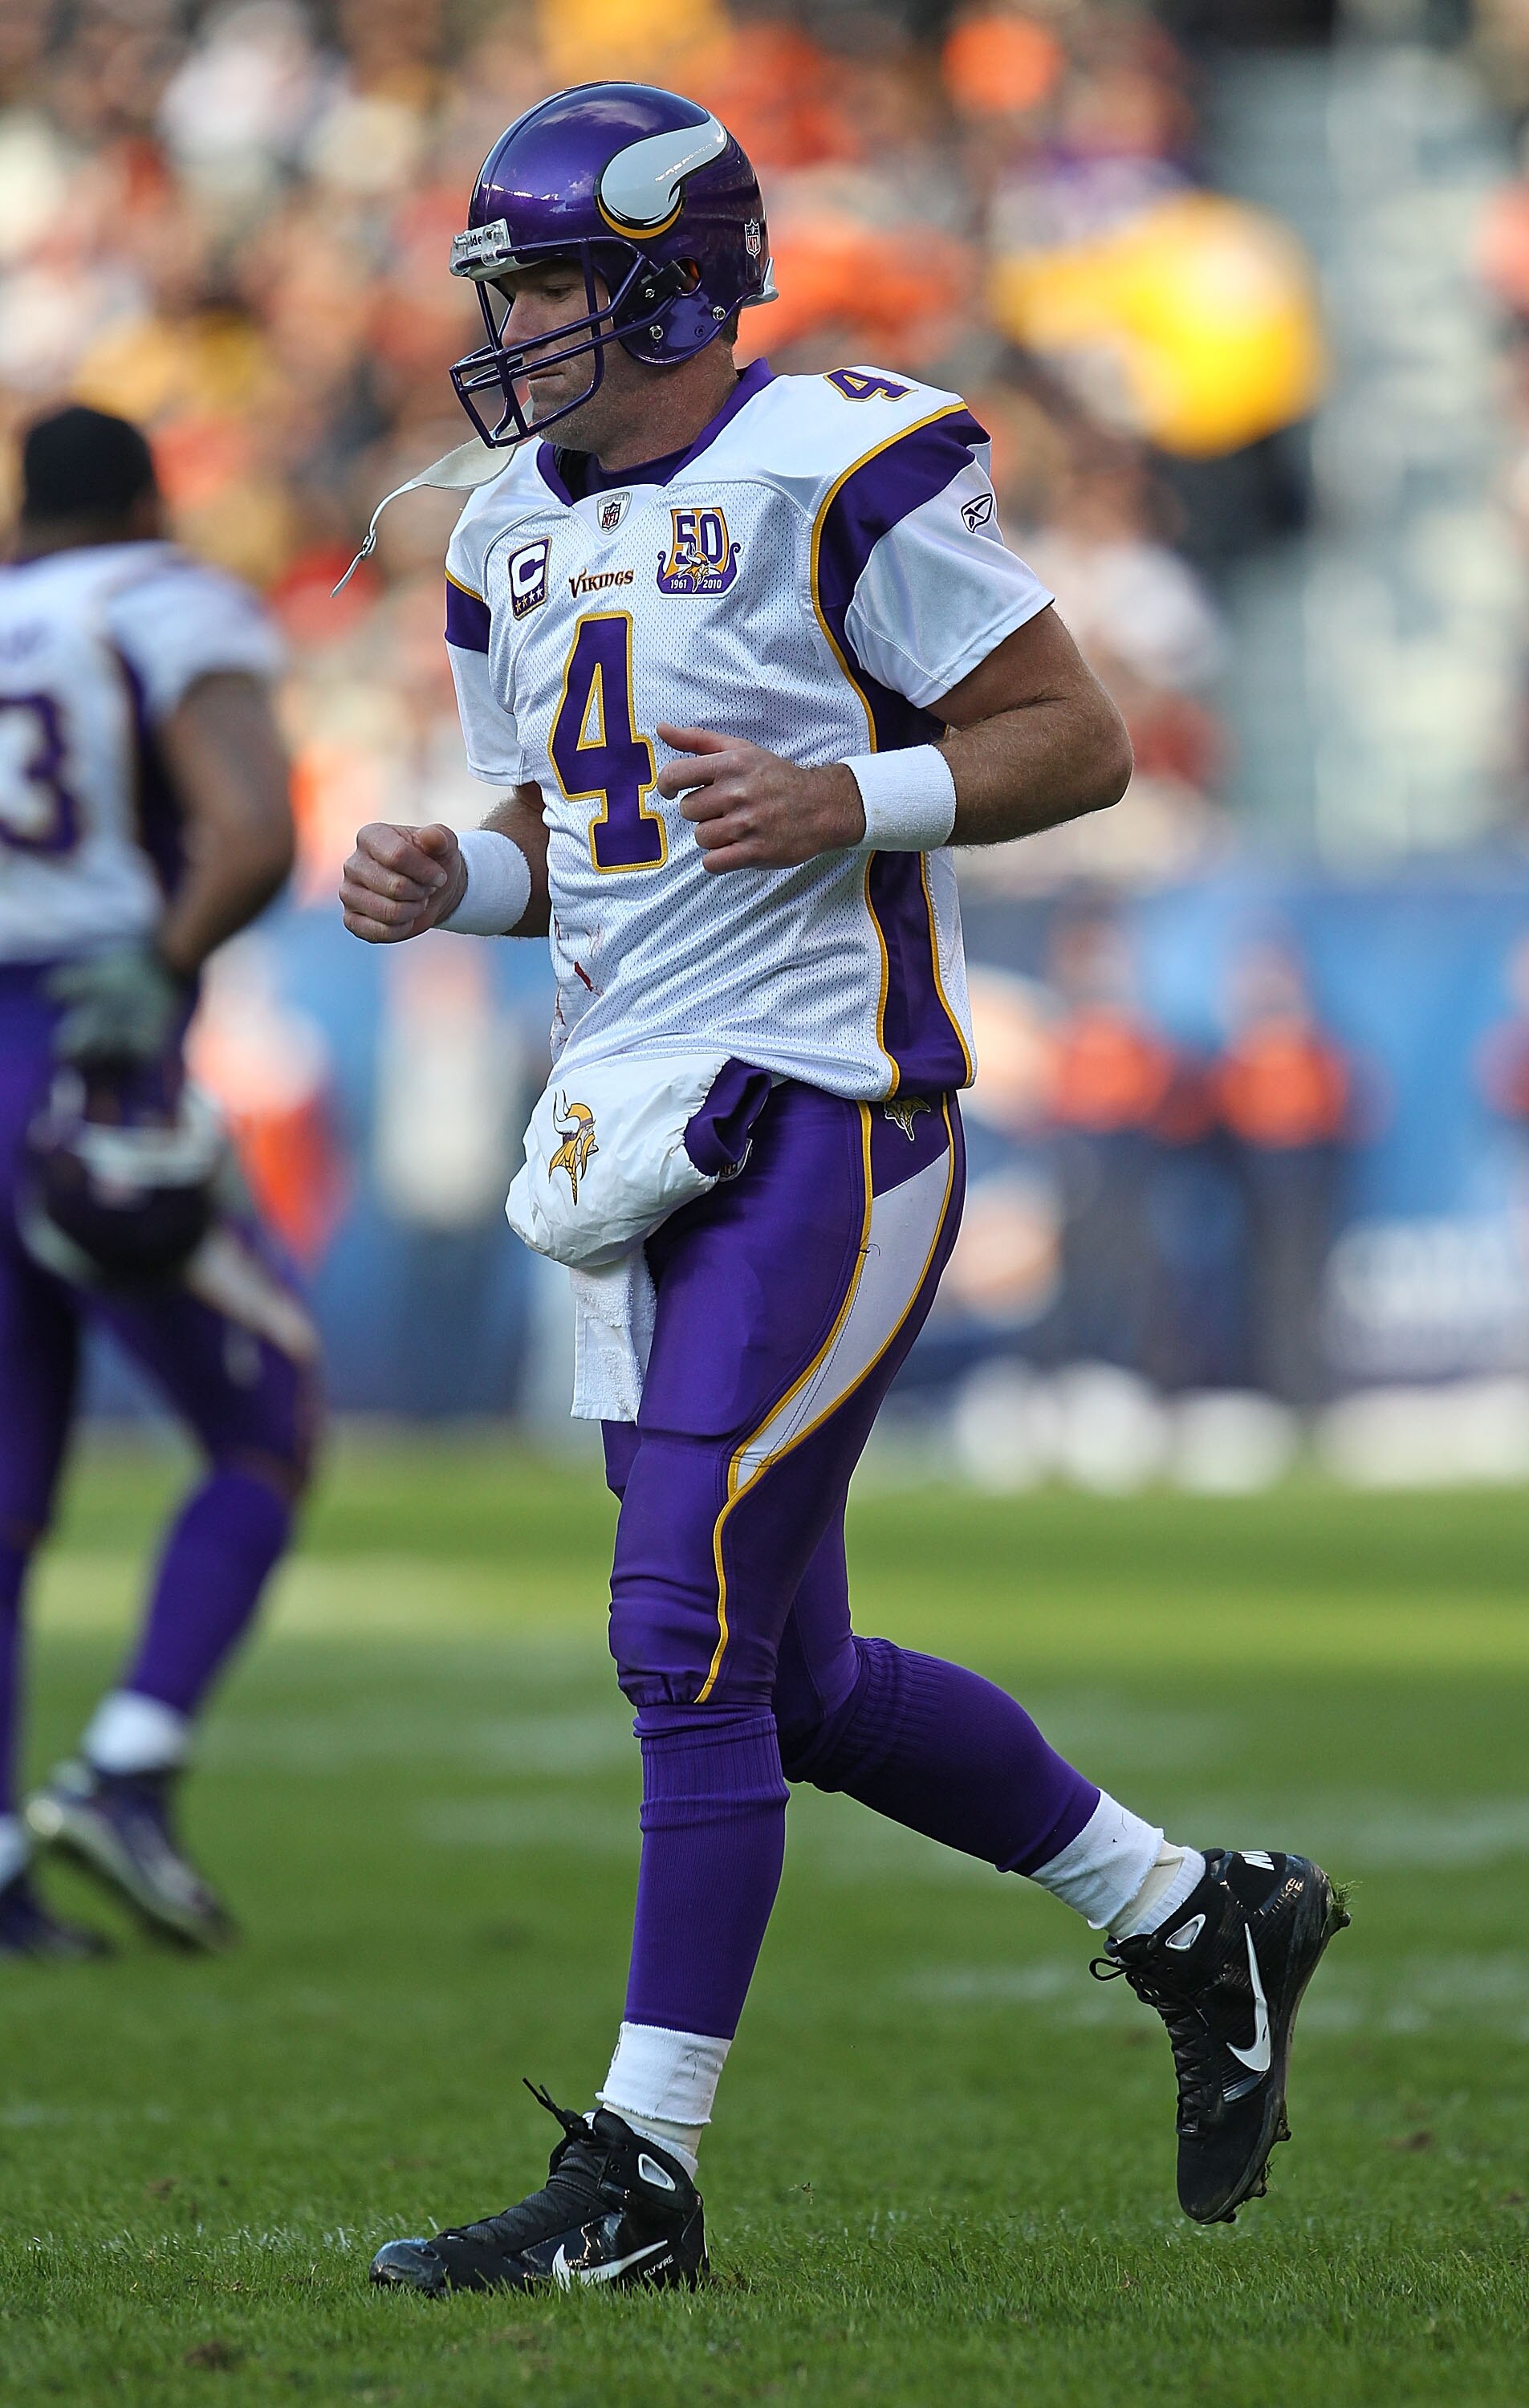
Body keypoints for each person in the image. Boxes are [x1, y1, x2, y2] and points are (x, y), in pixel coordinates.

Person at [340, 83, 1346, 2293]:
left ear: (674, 279)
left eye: (545, 283)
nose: (508, 327)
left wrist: (858, 792)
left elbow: (1071, 732)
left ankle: (641, 2175)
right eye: (500, 288)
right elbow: (566, 851)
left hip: (829, 1103)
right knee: (779, 1681)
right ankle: (1200, 1918)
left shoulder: (845, 460)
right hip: (631, 1134)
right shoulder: (503, 524)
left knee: (675, 1626)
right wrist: (453, 875)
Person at [0, 405, 319, 1958]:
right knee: (267, 1416)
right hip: (83, 1052)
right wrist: (166, 956)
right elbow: (256, 828)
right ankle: (128, 1766)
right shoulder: (159, 599)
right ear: (148, 494)